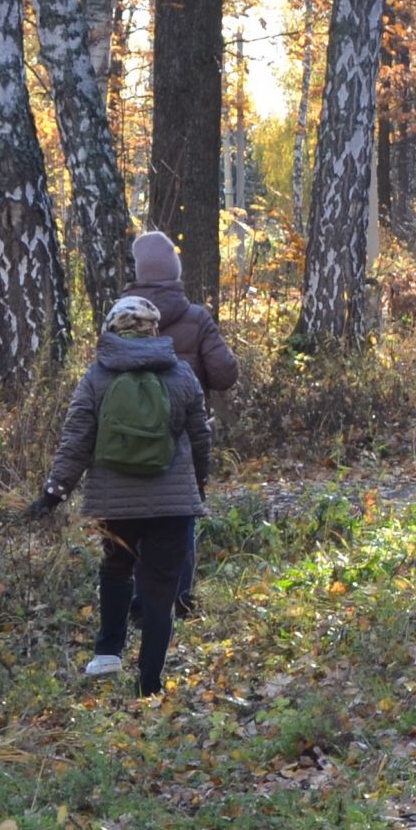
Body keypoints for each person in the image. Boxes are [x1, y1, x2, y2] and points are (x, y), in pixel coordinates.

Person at [34, 296, 209, 698]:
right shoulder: (181, 374)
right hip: (172, 505)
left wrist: (52, 494)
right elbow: (201, 437)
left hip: (114, 504)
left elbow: (76, 440)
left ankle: (108, 650)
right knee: (160, 591)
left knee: (116, 569)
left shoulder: (96, 377)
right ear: (154, 330)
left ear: (111, 330)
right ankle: (149, 685)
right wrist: (198, 484)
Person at [126, 231, 237, 617]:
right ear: (175, 271)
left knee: (136, 513)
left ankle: (141, 600)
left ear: (139, 272)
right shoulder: (196, 317)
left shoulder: (123, 317)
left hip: (132, 435)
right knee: (182, 513)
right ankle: (180, 597)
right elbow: (225, 374)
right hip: (186, 433)